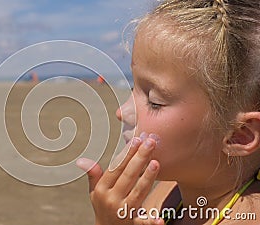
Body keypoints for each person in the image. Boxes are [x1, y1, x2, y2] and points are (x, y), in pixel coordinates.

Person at [76, 0, 260, 224]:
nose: (122, 112)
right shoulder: (170, 191)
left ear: (239, 134)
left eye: (154, 101)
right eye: (134, 87)